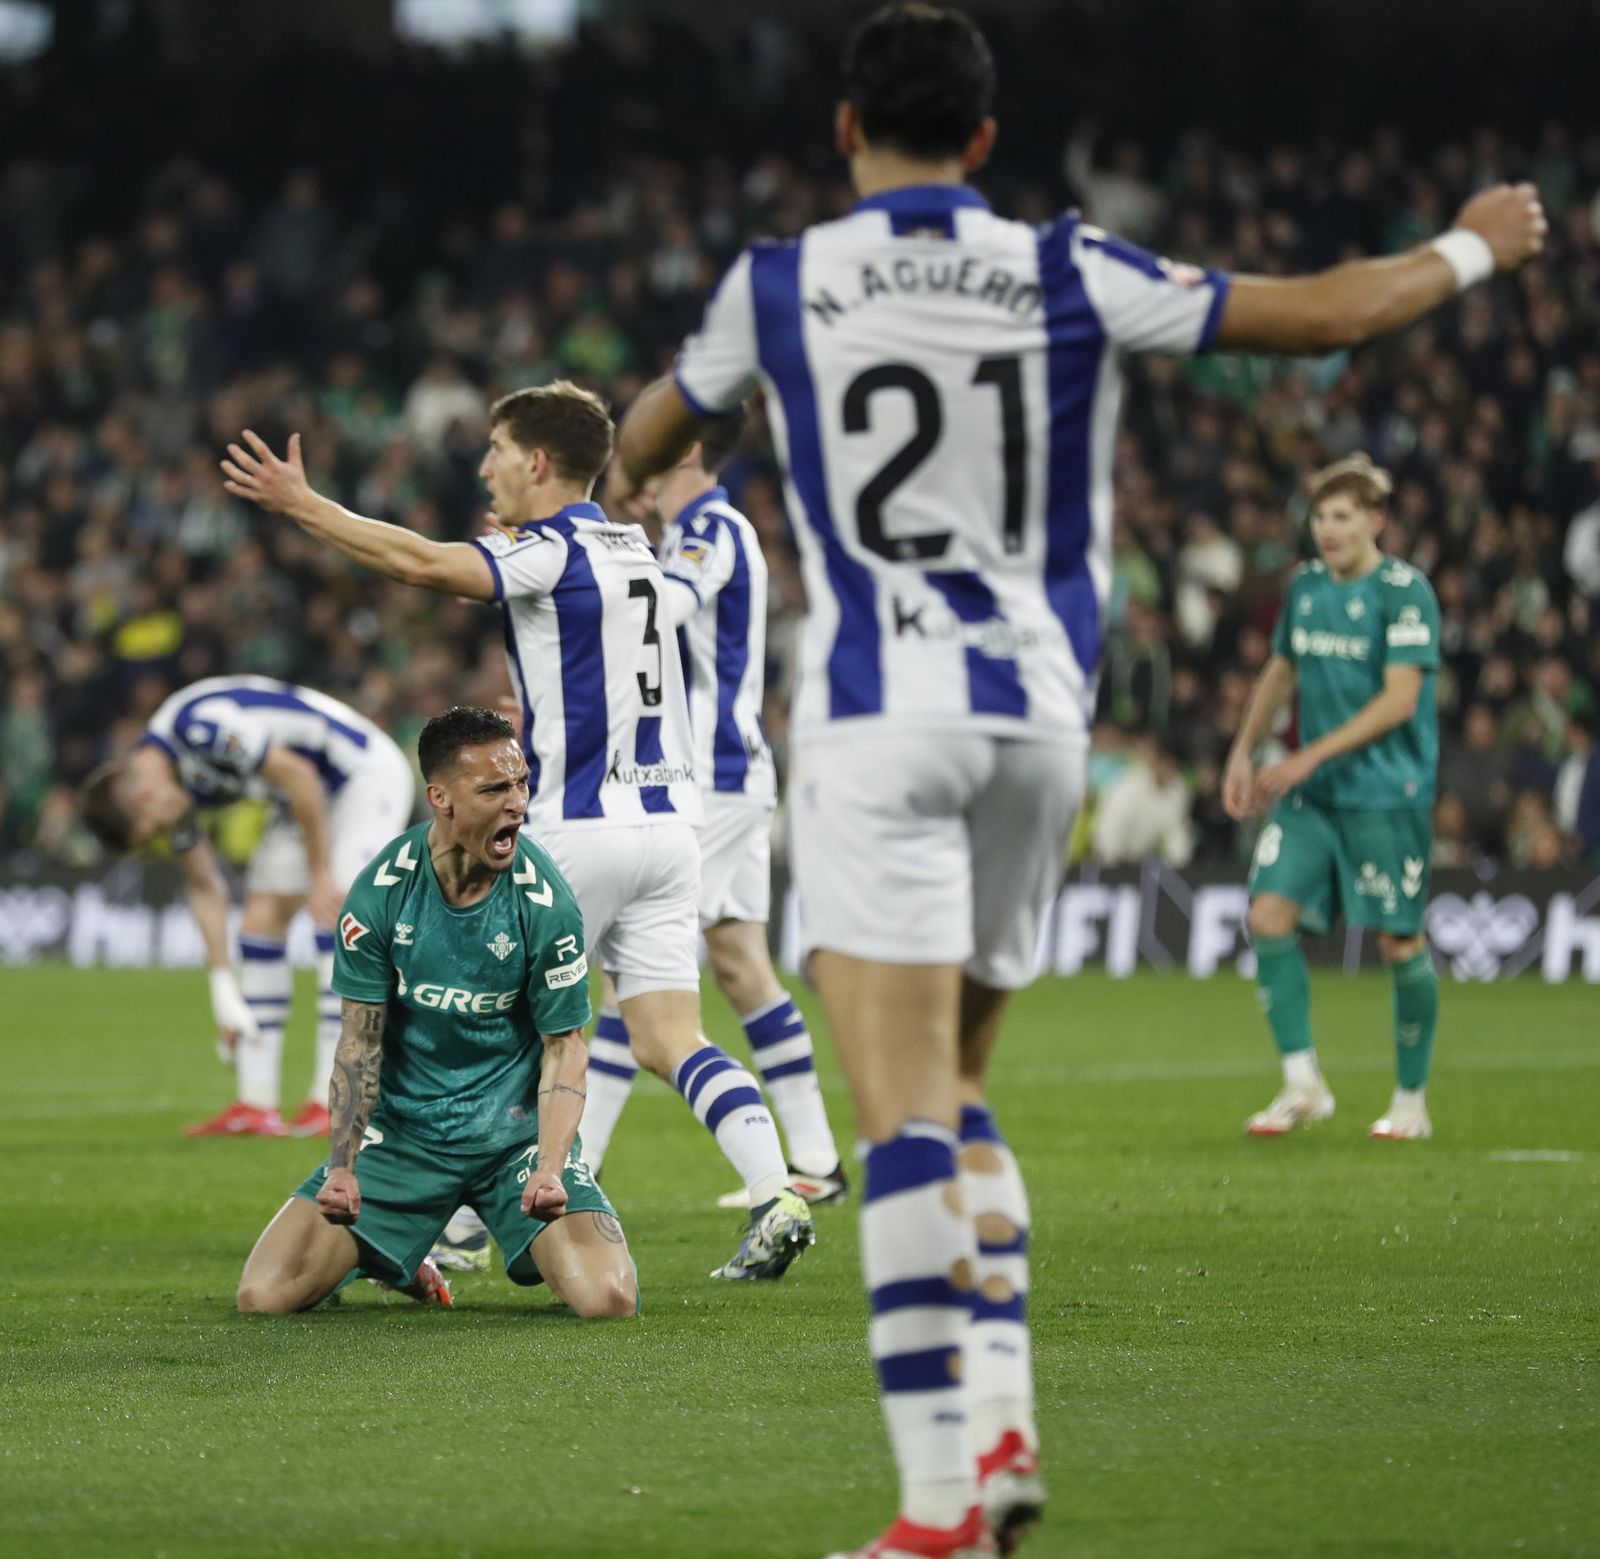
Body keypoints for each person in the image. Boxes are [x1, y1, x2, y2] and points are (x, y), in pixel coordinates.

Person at [607, 6, 1545, 1555]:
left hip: (875, 721)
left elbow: (648, 430)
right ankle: (1008, 1426)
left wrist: (693, 416)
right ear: (983, 140)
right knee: (962, 1091)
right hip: (1040, 729)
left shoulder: (777, 282)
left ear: (846, 131)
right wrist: (1473, 245)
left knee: (899, 1107)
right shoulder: (1066, 264)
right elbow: (1324, 317)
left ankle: (933, 1508)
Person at [220, 381, 817, 1281]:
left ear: (538, 461)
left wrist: (305, 506)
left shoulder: (551, 550)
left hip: (578, 828)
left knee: (491, 1023)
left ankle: (454, 1216)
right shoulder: (638, 546)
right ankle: (777, 1188)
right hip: (668, 828)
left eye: (496, 449)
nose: (484, 465)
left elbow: (422, 565)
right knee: (667, 1036)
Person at [235, 706, 637, 1318]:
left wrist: (552, 1166)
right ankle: (400, 1257)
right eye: (494, 789)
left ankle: (452, 1233)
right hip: (405, 1141)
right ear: (441, 798)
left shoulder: (545, 902)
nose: (518, 804)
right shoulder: (379, 895)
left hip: (513, 1143)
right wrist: (341, 1167)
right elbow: (360, 1044)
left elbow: (566, 1046)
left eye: (521, 783)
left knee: (609, 1299)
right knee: (264, 1295)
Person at [578, 420, 848, 1207]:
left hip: (711, 776)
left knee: (631, 969)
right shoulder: (679, 534)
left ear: (687, 450)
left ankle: (574, 1166)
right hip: (720, 774)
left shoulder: (711, 531)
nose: (632, 445)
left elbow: (662, 609)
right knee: (739, 964)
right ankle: (819, 1162)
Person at [80, 675, 415, 1138]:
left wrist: (320, 876)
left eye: (153, 828)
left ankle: (332, 1099)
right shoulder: (172, 782)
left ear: (141, 798)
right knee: (260, 922)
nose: (164, 832)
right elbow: (204, 885)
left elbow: (298, 772)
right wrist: (222, 983)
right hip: (298, 794)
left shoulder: (201, 729)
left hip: (360, 773)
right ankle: (256, 1104)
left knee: (337, 917)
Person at [1224, 456, 1443, 1140]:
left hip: (1384, 791)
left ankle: (1411, 1101)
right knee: (1266, 914)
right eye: (1321, 516)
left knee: (1398, 941)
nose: (1329, 529)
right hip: (1312, 793)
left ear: (1376, 521)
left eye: (1343, 516)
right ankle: (1302, 1082)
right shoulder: (1307, 589)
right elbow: (1282, 669)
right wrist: (1243, 749)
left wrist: (1305, 754)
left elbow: (1401, 699)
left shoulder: (1406, 593)